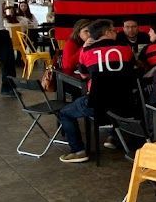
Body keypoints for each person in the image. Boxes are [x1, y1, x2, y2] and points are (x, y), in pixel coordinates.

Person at [57, 19, 135, 163]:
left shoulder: (87, 51)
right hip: (125, 104)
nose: (116, 32)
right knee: (114, 97)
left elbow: (84, 75)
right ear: (107, 32)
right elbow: (132, 69)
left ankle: (78, 151)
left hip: (97, 105)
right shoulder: (126, 48)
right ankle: (114, 137)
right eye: (114, 30)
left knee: (64, 113)